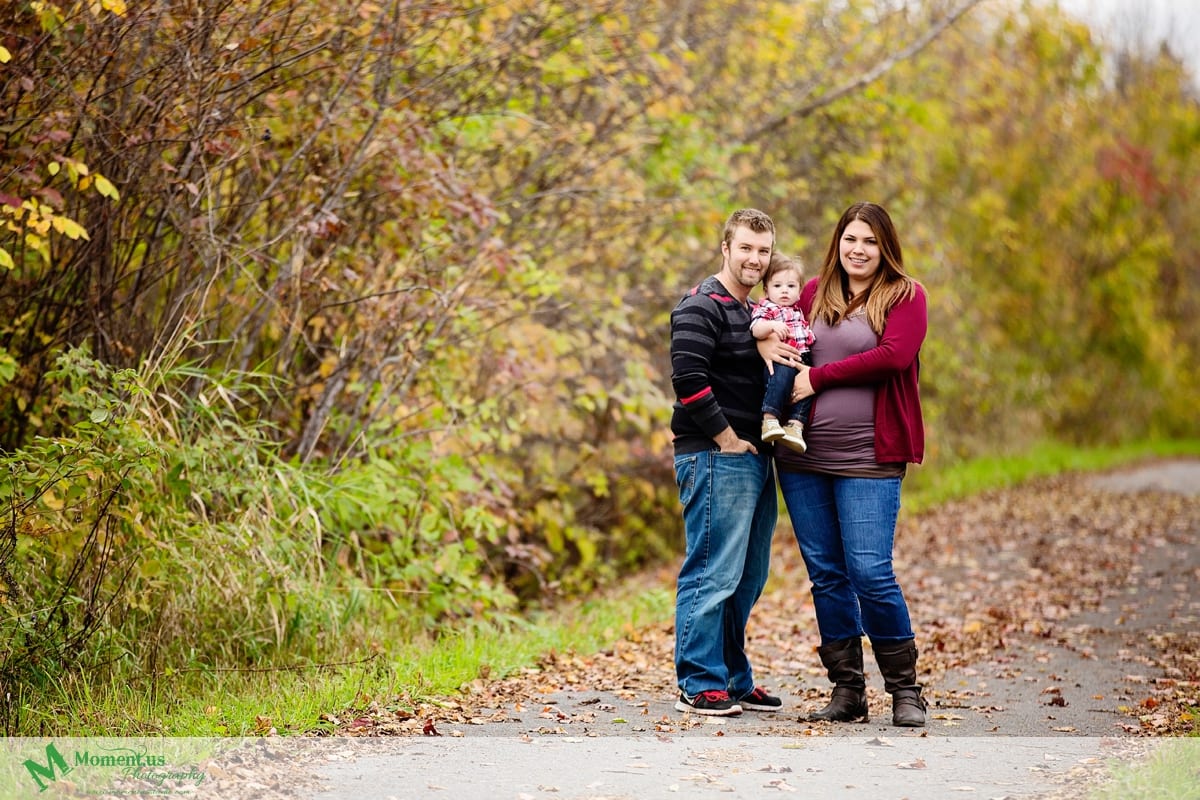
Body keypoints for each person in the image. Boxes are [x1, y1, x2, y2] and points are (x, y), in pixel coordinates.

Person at [771, 201, 929, 727]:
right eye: (850, 239)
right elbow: (782, 335)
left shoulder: (906, 296)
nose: (858, 250)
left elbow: (893, 357)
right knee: (827, 575)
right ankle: (848, 691)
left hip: (870, 457)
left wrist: (818, 378)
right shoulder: (813, 292)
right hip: (803, 455)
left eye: (869, 241)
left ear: (886, 247)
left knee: (870, 571)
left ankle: (905, 691)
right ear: (837, 241)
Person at [668, 208, 799, 716]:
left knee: (747, 575)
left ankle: (732, 677)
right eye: (745, 247)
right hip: (714, 453)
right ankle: (698, 681)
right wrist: (725, 438)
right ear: (726, 248)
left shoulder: (755, 314)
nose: (754, 258)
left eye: (763, 251)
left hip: (754, 455)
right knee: (712, 569)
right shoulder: (702, 306)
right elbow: (689, 382)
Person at [750, 252, 815, 453]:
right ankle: (769, 419)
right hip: (781, 357)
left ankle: (795, 426)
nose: (784, 291)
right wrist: (770, 327)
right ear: (766, 289)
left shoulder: (798, 311)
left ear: (799, 291)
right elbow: (755, 328)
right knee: (781, 381)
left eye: (791, 286)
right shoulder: (768, 308)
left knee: (807, 388)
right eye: (777, 286)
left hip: (801, 357)